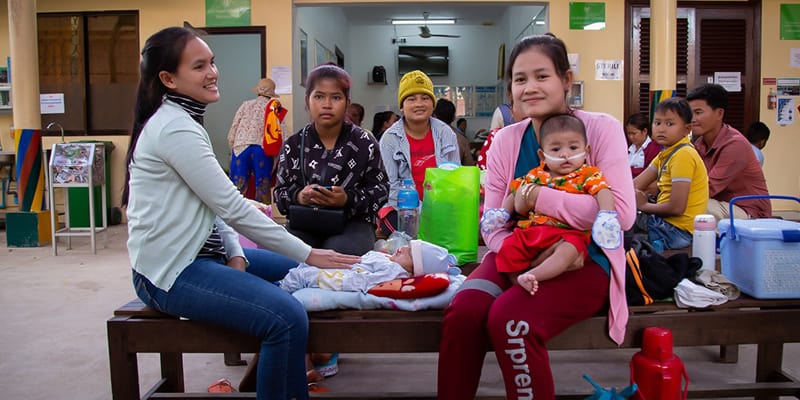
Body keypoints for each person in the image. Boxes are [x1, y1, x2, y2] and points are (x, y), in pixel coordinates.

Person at [122, 27, 359, 400]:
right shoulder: (174, 129)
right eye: (199, 66)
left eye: (212, 62)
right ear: (168, 79)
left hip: (203, 255)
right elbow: (232, 207)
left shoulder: (185, 122)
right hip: (171, 270)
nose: (213, 72)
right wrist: (308, 252)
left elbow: (214, 204)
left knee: (305, 278)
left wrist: (234, 252)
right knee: (286, 317)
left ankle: (288, 379)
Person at [437, 34, 636, 400]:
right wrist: (517, 253)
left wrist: (535, 196)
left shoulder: (600, 129)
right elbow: (493, 220)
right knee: (464, 312)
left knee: (510, 320)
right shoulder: (505, 141)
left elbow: (620, 215)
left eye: (541, 76)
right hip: (516, 250)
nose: (529, 87)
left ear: (566, 80)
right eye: (519, 79)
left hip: (584, 260)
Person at [481, 113, 620, 295]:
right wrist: (502, 214)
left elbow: (603, 191)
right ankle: (517, 281)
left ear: (586, 151)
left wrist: (607, 216)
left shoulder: (588, 175)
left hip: (568, 233)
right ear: (543, 155)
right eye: (555, 149)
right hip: (532, 231)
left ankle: (535, 275)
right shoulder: (537, 175)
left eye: (573, 147)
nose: (565, 155)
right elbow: (516, 192)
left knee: (568, 252)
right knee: (509, 248)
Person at [274, 64, 389, 257]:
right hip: (305, 221)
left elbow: (381, 191)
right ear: (307, 101)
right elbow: (280, 194)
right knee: (287, 256)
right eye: (319, 96)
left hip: (353, 223)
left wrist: (347, 199)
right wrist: (300, 196)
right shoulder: (293, 145)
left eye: (336, 97)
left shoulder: (365, 143)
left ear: (346, 102)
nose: (327, 104)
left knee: (342, 255)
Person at [632, 98, 709, 250]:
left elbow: (676, 208)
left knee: (621, 231)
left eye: (670, 124)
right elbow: (635, 185)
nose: (661, 129)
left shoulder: (684, 154)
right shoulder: (666, 153)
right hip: (666, 224)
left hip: (676, 231)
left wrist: (644, 205)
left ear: (687, 129)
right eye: (657, 122)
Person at [687, 84, 771, 220]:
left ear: (719, 113)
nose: (692, 119)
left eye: (698, 113)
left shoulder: (735, 145)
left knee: (691, 206)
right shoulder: (699, 143)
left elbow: (707, 188)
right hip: (720, 204)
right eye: (689, 114)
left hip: (749, 213)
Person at [379, 69, 460, 205]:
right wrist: (419, 211)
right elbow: (392, 188)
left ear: (433, 104)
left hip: (443, 208)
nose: (419, 104)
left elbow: (455, 178)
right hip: (405, 210)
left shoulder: (445, 133)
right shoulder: (389, 140)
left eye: (425, 98)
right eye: (411, 99)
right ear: (402, 107)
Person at [280, 239, 454, 293]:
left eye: (409, 253)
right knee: (301, 269)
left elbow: (364, 282)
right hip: (339, 267)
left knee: (299, 276)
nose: (403, 248)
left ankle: (281, 290)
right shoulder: (391, 262)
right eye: (408, 245)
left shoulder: (395, 272)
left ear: (414, 270)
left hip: (342, 276)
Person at [227, 78, 286, 204]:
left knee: (237, 190)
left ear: (257, 92)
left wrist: (232, 147)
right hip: (262, 151)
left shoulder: (246, 105)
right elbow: (283, 135)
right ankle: (262, 219)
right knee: (262, 189)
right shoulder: (274, 108)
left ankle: (235, 220)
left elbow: (233, 129)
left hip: (241, 148)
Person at [432, 97, 475, 166]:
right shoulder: (462, 139)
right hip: (454, 175)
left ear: (434, 116)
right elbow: (469, 165)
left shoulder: (424, 134)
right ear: (454, 118)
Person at [625, 112, 662, 178]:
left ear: (645, 131)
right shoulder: (627, 147)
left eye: (634, 133)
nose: (630, 137)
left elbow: (649, 173)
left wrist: (629, 170)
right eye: (629, 133)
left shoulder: (654, 148)